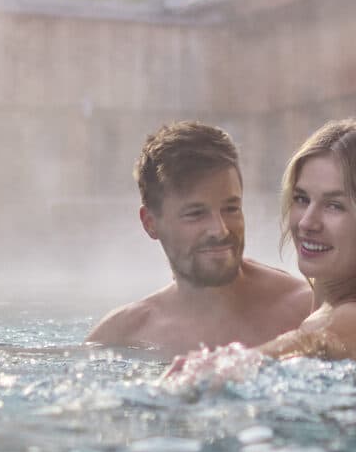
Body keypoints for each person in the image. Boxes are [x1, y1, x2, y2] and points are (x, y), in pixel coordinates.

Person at [166, 118, 356, 382]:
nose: (307, 223)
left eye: (335, 205)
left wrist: (227, 365)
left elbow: (321, 342)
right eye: (302, 199)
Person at [87, 121, 314, 357]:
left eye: (231, 208)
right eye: (195, 214)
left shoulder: (305, 310)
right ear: (150, 223)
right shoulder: (124, 335)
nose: (220, 230)